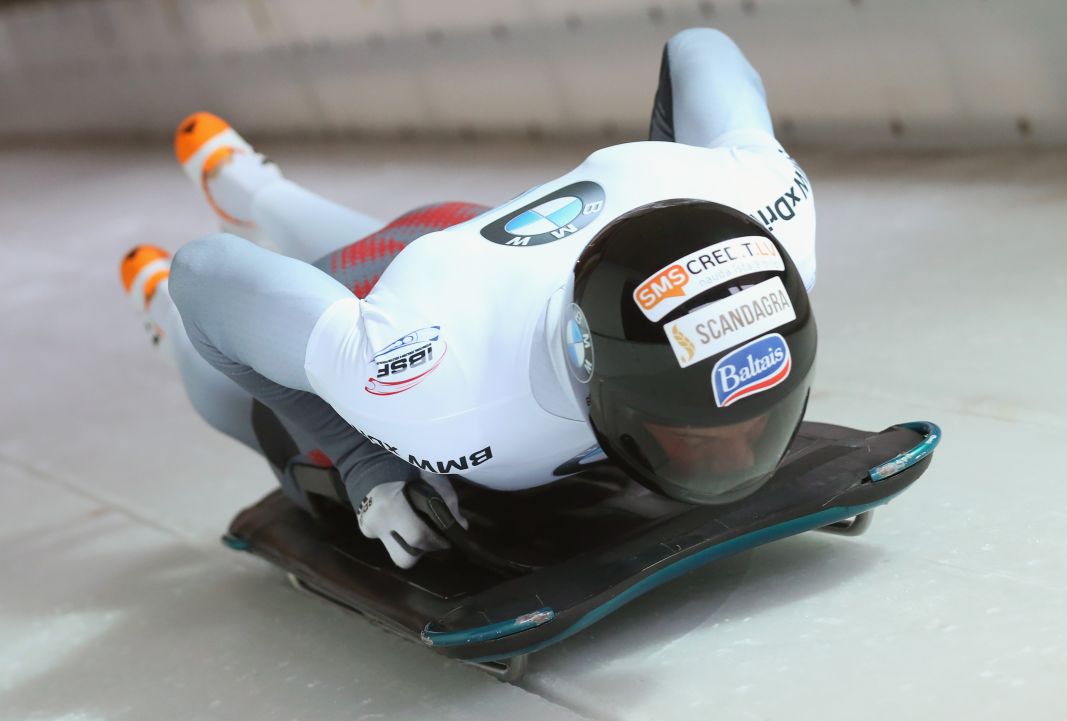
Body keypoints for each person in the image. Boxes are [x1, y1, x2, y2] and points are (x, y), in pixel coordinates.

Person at [120, 28, 817, 570]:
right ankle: (162, 295)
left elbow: (701, 47)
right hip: (441, 306)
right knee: (223, 383)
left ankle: (248, 188)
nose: (735, 451)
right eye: (695, 435)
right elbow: (204, 272)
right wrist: (365, 461)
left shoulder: (763, 198)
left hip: (467, 257)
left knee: (362, 266)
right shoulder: (423, 381)